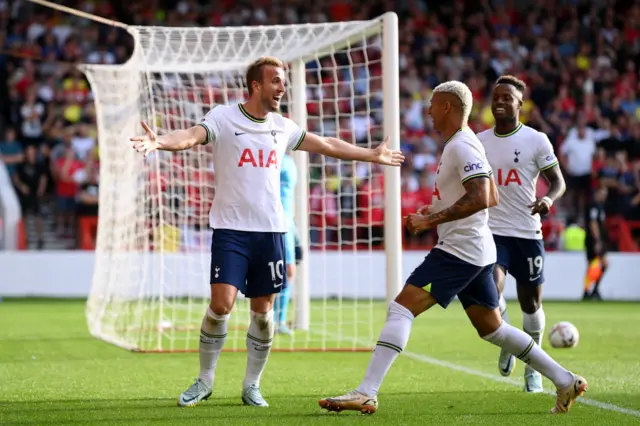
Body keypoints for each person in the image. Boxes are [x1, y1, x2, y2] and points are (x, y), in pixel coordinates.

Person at [130, 56, 404, 408]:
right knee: (221, 304)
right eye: (275, 80)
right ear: (256, 85)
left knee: (263, 313)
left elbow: (328, 144)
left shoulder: (283, 126)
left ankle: (252, 385)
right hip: (230, 230)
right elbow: (190, 137)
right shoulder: (223, 117)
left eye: (283, 80)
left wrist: (371, 155)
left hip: (271, 232)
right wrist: (160, 142)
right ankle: (204, 380)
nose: (282, 87)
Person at [318, 81, 586, 415]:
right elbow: (488, 195)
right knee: (494, 330)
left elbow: (484, 196)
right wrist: (435, 210)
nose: (428, 110)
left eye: (433, 104)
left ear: (448, 107)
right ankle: (564, 380)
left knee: (401, 309)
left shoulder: (462, 146)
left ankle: (366, 391)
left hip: (461, 249)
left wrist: (431, 221)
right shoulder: (461, 144)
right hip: (475, 249)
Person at [477, 75, 566, 393]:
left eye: (506, 97)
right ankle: (510, 339)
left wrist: (547, 199)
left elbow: (558, 182)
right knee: (491, 293)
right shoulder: (479, 141)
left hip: (527, 233)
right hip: (492, 231)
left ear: (519, 105)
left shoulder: (536, 140)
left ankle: (532, 369)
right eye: (495, 96)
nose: (499, 101)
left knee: (531, 305)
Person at [274, 151, 297, 335]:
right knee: (279, 271)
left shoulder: (289, 161)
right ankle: (273, 319)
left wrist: (295, 230)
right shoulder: (271, 156)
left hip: (288, 223)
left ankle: (278, 320)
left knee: (288, 271)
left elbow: (290, 197)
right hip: (274, 220)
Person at [583, 186, 609, 300]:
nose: (604, 196)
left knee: (597, 265)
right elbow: (593, 223)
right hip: (593, 239)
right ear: (596, 193)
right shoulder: (593, 206)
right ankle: (590, 291)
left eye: (605, 194)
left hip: (596, 239)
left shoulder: (600, 206)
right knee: (601, 264)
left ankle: (591, 291)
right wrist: (597, 240)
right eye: (602, 193)